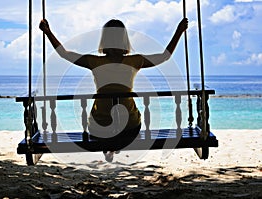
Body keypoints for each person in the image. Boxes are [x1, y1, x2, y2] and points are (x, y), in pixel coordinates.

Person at [39, 18, 188, 162]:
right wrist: (179, 31)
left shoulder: (94, 61)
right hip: (130, 126)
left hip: (100, 127)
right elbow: (165, 56)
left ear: (104, 40)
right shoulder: (135, 61)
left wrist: (48, 32)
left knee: (106, 133)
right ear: (125, 40)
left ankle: (109, 147)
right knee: (122, 131)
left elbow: (64, 54)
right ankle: (114, 146)